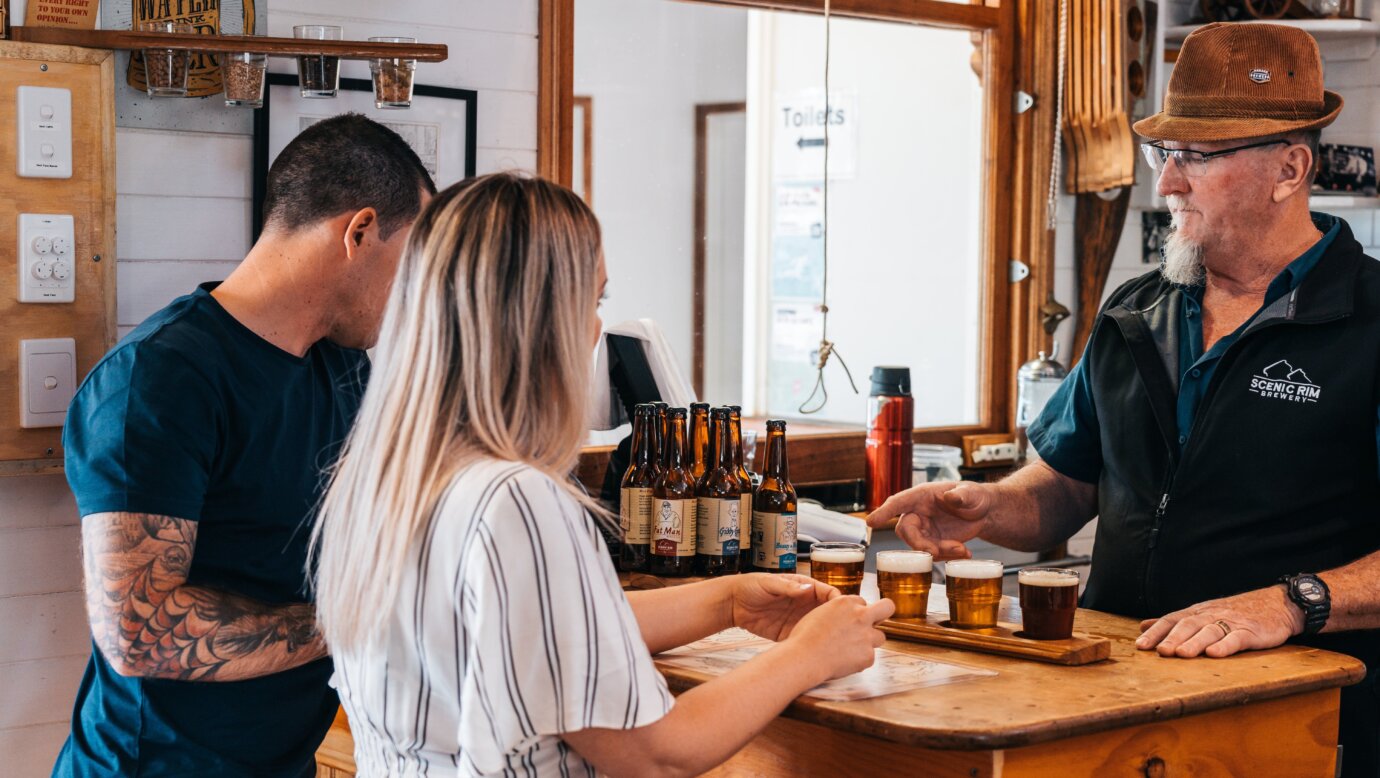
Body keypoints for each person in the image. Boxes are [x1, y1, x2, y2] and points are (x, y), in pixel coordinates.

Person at [869, 22, 1380, 776]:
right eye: (1163, 154)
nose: (1165, 183)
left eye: (1195, 158)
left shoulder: (1369, 321)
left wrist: (1290, 602)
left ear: (1290, 168)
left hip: (1300, 718)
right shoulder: (1136, 310)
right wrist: (985, 507)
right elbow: (1069, 485)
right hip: (1121, 703)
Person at [310, 172, 894, 776]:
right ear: (540, 323)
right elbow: (655, 752)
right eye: (592, 303)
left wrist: (728, 601)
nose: (594, 330)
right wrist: (809, 656)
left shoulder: (373, 478)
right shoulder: (517, 500)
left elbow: (539, 633)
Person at [54, 114, 435, 777]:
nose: (415, 289)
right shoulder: (158, 380)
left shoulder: (341, 368)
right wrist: (359, 623)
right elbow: (139, 632)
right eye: (415, 258)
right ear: (361, 231)